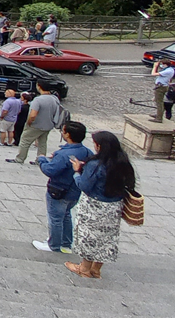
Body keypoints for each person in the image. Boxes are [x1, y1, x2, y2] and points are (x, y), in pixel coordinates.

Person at [67, 131, 137, 279]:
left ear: (99, 146)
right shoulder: (122, 162)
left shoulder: (95, 165)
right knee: (107, 238)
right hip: (114, 206)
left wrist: (77, 172)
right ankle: (96, 270)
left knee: (89, 236)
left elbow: (84, 185)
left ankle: (84, 269)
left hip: (94, 206)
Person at [33, 120, 93, 253]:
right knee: (66, 215)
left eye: (63, 131)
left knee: (55, 218)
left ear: (68, 135)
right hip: (75, 191)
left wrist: (42, 160)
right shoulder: (86, 151)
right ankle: (66, 243)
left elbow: (50, 170)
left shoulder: (63, 154)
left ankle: (53, 245)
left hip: (59, 190)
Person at [8, 82, 60, 165]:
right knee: (42, 143)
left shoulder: (38, 100)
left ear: (39, 87)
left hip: (36, 125)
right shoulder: (54, 99)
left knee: (25, 141)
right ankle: (40, 160)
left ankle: (20, 158)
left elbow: (33, 115)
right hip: (48, 124)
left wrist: (29, 122)